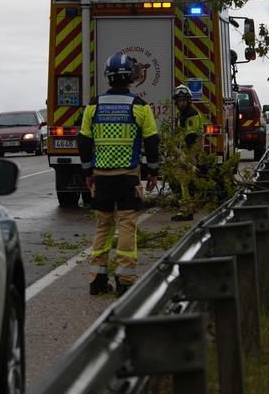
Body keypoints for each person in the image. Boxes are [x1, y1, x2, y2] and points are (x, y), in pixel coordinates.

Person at [78, 52, 161, 296]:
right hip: (127, 176)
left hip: (101, 176)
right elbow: (152, 141)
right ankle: (125, 281)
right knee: (126, 225)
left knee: (103, 226)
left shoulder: (94, 105)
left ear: (109, 77)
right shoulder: (140, 107)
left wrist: (87, 171)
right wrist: (153, 171)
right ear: (132, 78)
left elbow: (83, 140)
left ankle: (97, 279)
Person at [169, 85, 205, 222]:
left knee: (182, 179)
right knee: (174, 178)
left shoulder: (191, 115)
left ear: (189, 101)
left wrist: (179, 152)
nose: (181, 103)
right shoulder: (181, 115)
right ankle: (187, 206)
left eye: (184, 100)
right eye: (179, 100)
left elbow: (190, 137)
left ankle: (186, 211)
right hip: (184, 152)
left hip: (191, 152)